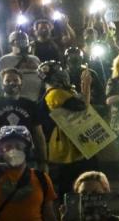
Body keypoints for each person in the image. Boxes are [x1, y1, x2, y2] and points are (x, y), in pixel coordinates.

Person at [38, 59, 96, 197]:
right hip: (67, 146)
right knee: (71, 184)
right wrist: (86, 85)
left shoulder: (62, 91)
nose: (64, 74)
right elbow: (82, 107)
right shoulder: (55, 94)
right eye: (59, 72)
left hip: (73, 141)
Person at [0, 68, 49, 172]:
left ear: (21, 83)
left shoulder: (30, 105)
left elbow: (38, 135)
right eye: (7, 81)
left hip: (27, 159)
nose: (12, 83)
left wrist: (43, 161)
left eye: (16, 80)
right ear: (2, 84)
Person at [0, 31, 43, 102]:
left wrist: (38, 69)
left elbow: (44, 77)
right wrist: (19, 66)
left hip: (35, 98)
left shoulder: (35, 59)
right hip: (15, 100)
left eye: (24, 40)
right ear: (11, 43)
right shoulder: (4, 60)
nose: (22, 43)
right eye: (19, 41)